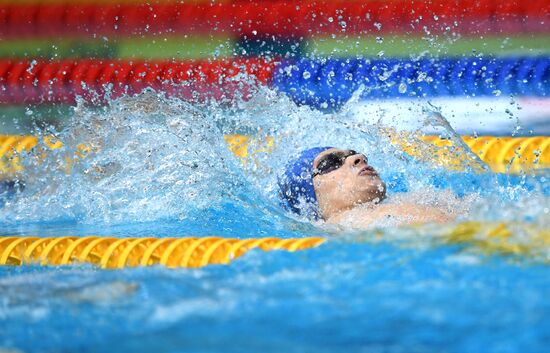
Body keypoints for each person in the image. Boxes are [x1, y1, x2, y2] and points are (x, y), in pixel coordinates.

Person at [278, 147, 452, 228]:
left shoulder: (402, 202)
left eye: (353, 153)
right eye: (330, 162)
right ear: (308, 198)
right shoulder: (346, 222)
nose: (358, 157)